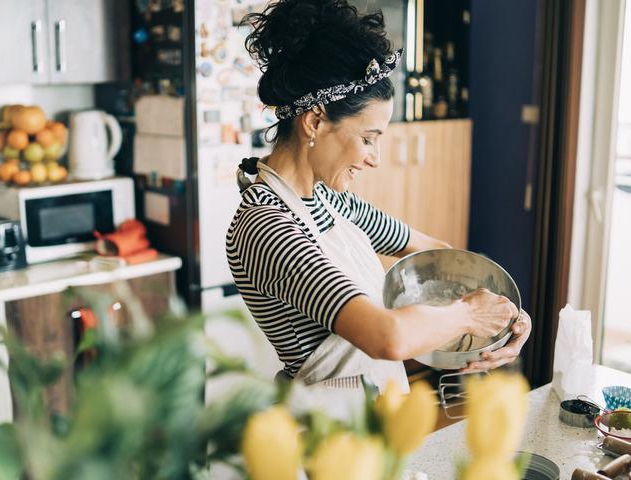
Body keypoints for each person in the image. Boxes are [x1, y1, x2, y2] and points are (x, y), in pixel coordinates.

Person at [227, 0, 532, 398]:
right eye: (368, 138)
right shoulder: (266, 226)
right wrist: (470, 313)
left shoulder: (332, 201)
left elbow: (437, 256)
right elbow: (386, 337)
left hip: (375, 418)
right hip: (324, 435)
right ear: (315, 121)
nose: (375, 158)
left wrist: (506, 316)